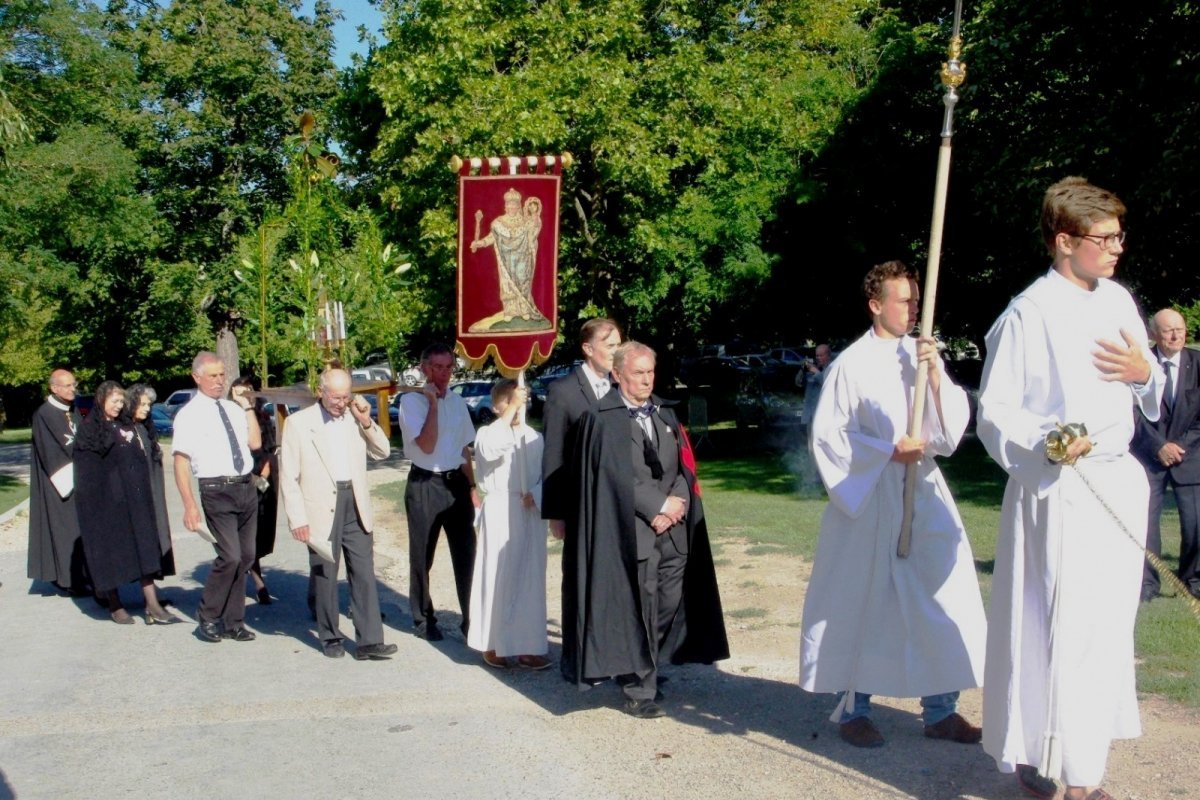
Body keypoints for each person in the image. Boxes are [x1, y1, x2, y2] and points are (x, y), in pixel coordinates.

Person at [977, 177, 1160, 800]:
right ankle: (1056, 766)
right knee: (1058, 628)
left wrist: (1143, 374)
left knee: (1106, 629)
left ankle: (1084, 766)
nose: (1117, 248)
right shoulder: (1029, 313)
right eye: (1104, 238)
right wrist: (1051, 442)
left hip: (1117, 482)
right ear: (1064, 241)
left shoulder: (1118, 302)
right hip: (1061, 490)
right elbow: (996, 411)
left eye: (1119, 236)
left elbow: (1150, 383)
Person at [799, 260, 986, 748]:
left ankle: (941, 710)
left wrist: (938, 375)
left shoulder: (921, 358)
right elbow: (830, 438)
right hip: (871, 497)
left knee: (942, 599)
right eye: (903, 300)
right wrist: (886, 451)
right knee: (866, 602)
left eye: (915, 300)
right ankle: (853, 708)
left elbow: (948, 433)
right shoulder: (850, 366)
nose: (912, 309)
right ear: (875, 304)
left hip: (922, 490)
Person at [567, 341, 728, 718]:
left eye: (650, 372)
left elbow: (681, 466)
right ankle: (640, 686)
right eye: (637, 373)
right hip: (630, 533)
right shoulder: (601, 418)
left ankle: (643, 661)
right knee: (640, 604)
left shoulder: (664, 414)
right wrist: (655, 507)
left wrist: (674, 503)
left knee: (669, 604)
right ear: (617, 374)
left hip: (672, 530)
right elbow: (610, 474)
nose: (645, 380)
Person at [280, 368, 397, 660]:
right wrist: (298, 519)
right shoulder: (297, 423)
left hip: (354, 503)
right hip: (319, 507)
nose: (340, 403)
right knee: (325, 575)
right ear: (320, 391)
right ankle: (330, 635)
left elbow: (383, 452)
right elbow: (289, 477)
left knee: (364, 574)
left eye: (345, 396)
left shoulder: (354, 418)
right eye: (335, 397)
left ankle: (370, 641)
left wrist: (366, 421)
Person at [541, 317, 621, 679]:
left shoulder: (621, 387)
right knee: (579, 582)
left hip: (619, 504)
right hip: (579, 505)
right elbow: (553, 454)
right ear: (588, 349)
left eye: (620, 344)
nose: (617, 352)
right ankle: (577, 662)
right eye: (611, 345)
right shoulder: (563, 391)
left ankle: (622, 658)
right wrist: (556, 513)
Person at [172, 352, 262, 643]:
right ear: (196, 377)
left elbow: (255, 443)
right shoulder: (189, 415)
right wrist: (189, 505)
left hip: (245, 487)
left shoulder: (233, 409)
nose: (219, 381)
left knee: (246, 556)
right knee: (230, 555)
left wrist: (248, 409)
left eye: (222, 375)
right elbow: (181, 461)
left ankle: (233, 621)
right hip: (216, 489)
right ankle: (208, 614)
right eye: (212, 375)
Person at [74, 381, 177, 624]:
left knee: (144, 548)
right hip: (106, 504)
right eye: (114, 401)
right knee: (111, 553)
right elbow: (87, 471)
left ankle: (151, 604)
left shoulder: (126, 425)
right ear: (101, 400)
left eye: (121, 401)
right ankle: (114, 603)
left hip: (134, 500)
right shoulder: (89, 430)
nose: (119, 406)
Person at [397, 342, 479, 641]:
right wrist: (432, 403)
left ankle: (473, 620)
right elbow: (427, 445)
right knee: (422, 555)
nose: (444, 374)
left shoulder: (457, 403)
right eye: (437, 367)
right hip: (425, 483)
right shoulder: (412, 402)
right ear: (424, 368)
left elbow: (464, 448)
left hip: (455, 481)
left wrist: (472, 486)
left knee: (467, 554)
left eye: (448, 367)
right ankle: (423, 617)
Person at [467, 379, 551, 670]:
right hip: (501, 509)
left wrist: (537, 494)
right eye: (510, 404)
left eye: (520, 404)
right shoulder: (487, 433)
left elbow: (544, 475)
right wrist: (512, 406)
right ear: (496, 406)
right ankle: (495, 644)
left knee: (529, 577)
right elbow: (490, 452)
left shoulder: (534, 438)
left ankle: (527, 645)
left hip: (528, 511)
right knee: (499, 575)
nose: (517, 411)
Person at [1131, 308, 1200, 602]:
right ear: (1154, 335)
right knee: (1145, 522)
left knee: (1195, 522)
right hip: (1149, 456)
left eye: (1180, 329)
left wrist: (1179, 445)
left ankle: (1192, 582)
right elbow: (1131, 412)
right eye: (1169, 330)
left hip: (1191, 455)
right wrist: (1158, 445)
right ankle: (1146, 584)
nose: (1176, 335)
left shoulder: (1198, 363)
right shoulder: (1139, 366)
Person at [26, 369, 88, 594]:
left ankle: (83, 575)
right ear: (54, 388)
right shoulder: (44, 414)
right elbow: (50, 451)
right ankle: (69, 580)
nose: (73, 389)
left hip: (78, 476)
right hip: (61, 482)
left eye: (74, 384)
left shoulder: (71, 410)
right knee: (66, 530)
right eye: (68, 385)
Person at [123, 384, 178, 615]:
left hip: (151, 495)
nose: (146, 409)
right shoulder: (122, 429)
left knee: (153, 541)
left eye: (149, 405)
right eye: (142, 404)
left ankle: (151, 593)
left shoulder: (144, 428)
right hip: (132, 498)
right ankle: (147, 601)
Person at [467, 187, 548, 332]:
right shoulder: (498, 222)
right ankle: (510, 311)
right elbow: (491, 238)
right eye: (509, 205)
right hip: (506, 260)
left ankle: (524, 310)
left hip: (523, 258)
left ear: (518, 206)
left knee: (523, 281)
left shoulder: (525, 221)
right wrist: (479, 243)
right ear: (505, 206)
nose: (512, 207)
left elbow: (533, 234)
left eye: (515, 205)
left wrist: (535, 218)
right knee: (507, 285)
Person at [231, 376, 279, 605]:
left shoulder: (261, 415)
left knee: (259, 531)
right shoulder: (230, 416)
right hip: (241, 478)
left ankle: (255, 577)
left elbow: (269, 447)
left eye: (248, 391)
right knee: (243, 535)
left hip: (263, 477)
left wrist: (265, 475)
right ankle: (255, 582)